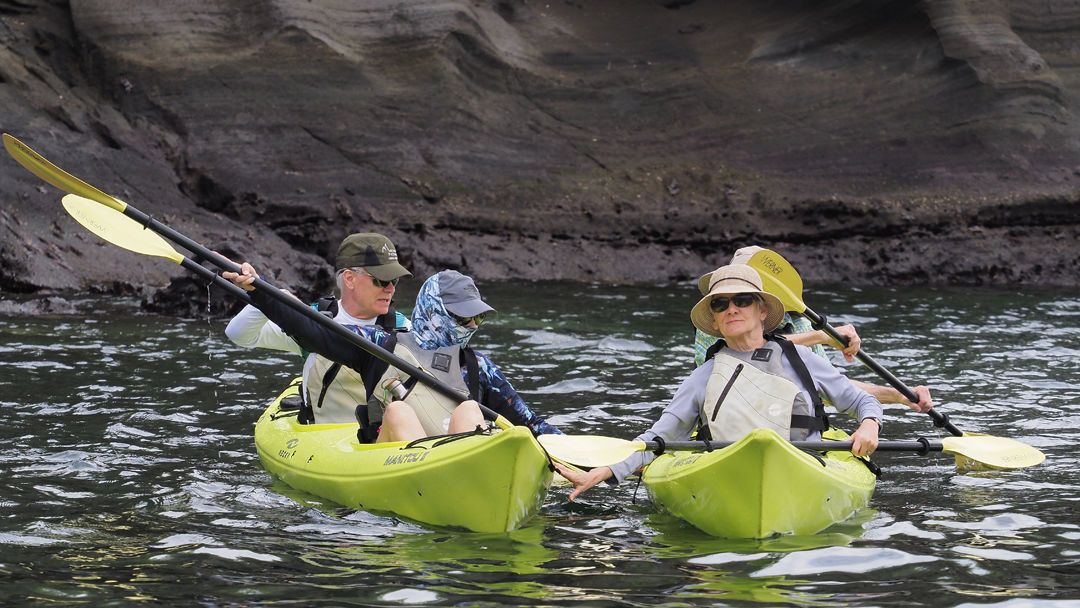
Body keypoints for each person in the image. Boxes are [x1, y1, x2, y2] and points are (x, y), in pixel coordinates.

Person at [557, 264, 883, 500]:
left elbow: (861, 401)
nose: (732, 309)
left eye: (742, 300)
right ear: (714, 320)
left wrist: (869, 425)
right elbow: (659, 438)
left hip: (805, 468)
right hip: (730, 477)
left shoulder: (802, 359)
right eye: (720, 304)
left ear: (761, 310)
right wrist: (607, 472)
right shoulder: (704, 376)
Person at [225, 264, 560, 442]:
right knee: (398, 412)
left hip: (460, 462)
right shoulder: (380, 345)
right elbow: (313, 331)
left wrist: (579, 456)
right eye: (462, 317)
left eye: (478, 318)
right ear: (433, 311)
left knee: (471, 409)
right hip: (395, 458)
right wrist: (260, 289)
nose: (471, 324)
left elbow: (530, 423)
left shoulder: (478, 366)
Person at [694, 246, 934, 413]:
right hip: (730, 417)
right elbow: (742, 357)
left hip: (786, 420)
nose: (733, 307)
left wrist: (898, 395)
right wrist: (821, 336)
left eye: (744, 298)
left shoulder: (800, 323)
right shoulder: (718, 320)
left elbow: (828, 384)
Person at [225, 233, 412, 426]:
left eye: (395, 280)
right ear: (350, 279)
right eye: (382, 280)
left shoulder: (404, 328)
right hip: (319, 433)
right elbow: (238, 335)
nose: (391, 289)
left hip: (380, 435)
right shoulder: (308, 320)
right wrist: (269, 296)